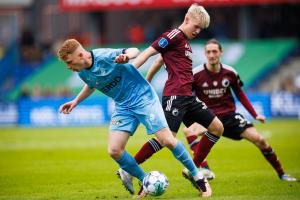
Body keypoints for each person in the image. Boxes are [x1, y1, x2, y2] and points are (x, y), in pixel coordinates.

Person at [57, 39, 211, 198]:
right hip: (123, 106)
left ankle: (198, 177)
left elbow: (133, 50)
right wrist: (75, 101)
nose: (68, 66)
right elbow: (91, 84)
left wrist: (126, 57)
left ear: (81, 54)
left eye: (69, 62)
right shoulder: (82, 72)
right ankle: (145, 181)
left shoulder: (103, 55)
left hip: (143, 98)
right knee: (114, 150)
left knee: (168, 141)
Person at [117, 3, 223, 195]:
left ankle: (194, 168)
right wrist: (132, 76)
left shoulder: (184, 42)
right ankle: (129, 168)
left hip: (188, 96)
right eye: (196, 27)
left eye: (201, 29)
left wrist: (147, 80)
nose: (198, 31)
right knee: (167, 139)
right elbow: (150, 53)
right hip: (175, 96)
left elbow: (159, 61)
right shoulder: (172, 36)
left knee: (217, 128)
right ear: (187, 19)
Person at [183, 39, 297, 181]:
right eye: (208, 52)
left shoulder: (230, 72)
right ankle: (202, 169)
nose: (211, 55)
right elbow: (186, 94)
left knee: (260, 140)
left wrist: (255, 114)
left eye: (214, 51)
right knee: (189, 131)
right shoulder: (196, 74)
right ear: (205, 54)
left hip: (230, 117)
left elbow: (240, 94)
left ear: (221, 52)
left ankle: (282, 174)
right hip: (209, 117)